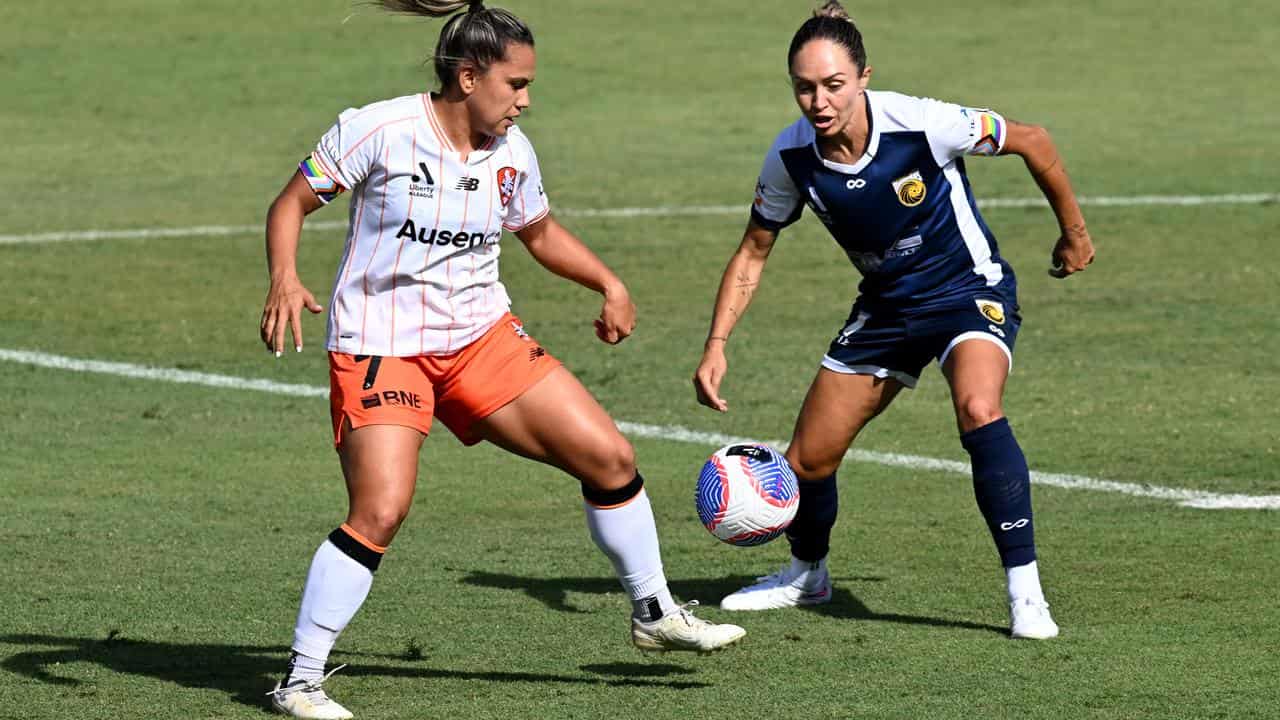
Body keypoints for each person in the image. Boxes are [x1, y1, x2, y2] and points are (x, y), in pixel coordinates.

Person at [259, 2, 744, 717]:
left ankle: (654, 612)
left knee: (610, 457)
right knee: (381, 509)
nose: (525, 100)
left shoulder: (511, 154)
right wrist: (285, 276)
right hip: (383, 348)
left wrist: (607, 282)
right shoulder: (380, 130)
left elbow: (539, 234)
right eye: (515, 84)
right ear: (467, 77)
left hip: (482, 340)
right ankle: (299, 680)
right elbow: (291, 204)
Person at [692, 1, 1094, 640]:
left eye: (833, 85)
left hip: (967, 289)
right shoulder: (791, 158)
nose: (818, 101)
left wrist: (1073, 232)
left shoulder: (924, 124)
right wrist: (717, 344)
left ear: (863, 78)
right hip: (886, 307)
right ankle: (807, 575)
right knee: (808, 462)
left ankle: (1026, 594)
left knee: (979, 408)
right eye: (804, 87)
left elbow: (1033, 140)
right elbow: (753, 251)